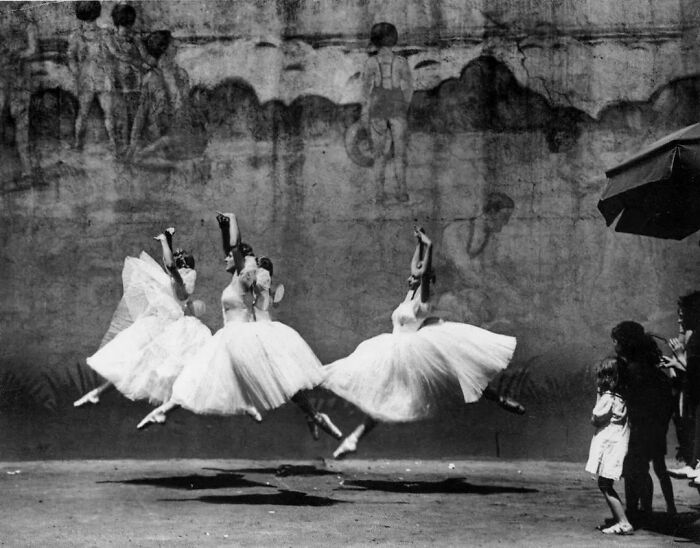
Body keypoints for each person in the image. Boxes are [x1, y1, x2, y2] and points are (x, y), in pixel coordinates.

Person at [136, 212, 341, 441]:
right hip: (228, 338)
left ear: (241, 261)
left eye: (229, 257)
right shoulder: (237, 277)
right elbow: (231, 249)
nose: (224, 259)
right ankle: (163, 411)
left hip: (240, 337)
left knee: (278, 381)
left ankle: (313, 415)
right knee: (199, 376)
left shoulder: (244, 278)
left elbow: (234, 246)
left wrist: (232, 219)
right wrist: (224, 228)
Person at [324, 226, 517, 459]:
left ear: (425, 280)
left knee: (455, 371)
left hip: (409, 351)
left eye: (415, 276)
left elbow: (423, 272)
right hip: (391, 346)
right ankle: (353, 438)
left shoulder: (423, 300)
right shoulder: (409, 295)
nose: (410, 277)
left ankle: (500, 399)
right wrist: (419, 244)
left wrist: (431, 246)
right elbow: (416, 267)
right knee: (383, 397)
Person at [74, 227, 210, 406]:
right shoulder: (174, 281)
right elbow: (168, 263)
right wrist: (168, 239)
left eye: (180, 266)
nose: (174, 268)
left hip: (170, 326)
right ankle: (99, 392)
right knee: (136, 364)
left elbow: (170, 265)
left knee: (160, 368)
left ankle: (169, 406)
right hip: (159, 324)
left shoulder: (181, 285)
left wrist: (164, 241)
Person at [613, 321, 676, 519]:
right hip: (655, 429)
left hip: (639, 429)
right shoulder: (649, 368)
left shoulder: (632, 370)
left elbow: (633, 402)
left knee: (632, 469)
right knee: (644, 469)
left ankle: (634, 511)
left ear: (623, 343)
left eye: (615, 341)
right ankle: (647, 509)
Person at [126, 30, 207, 168]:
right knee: (168, 139)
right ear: (164, 49)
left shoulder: (182, 74)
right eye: (172, 42)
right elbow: (141, 113)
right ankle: (144, 153)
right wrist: (133, 144)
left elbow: (184, 107)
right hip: (162, 134)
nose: (177, 44)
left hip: (179, 131)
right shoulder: (151, 78)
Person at [362, 22, 412, 203]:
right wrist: (404, 105)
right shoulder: (401, 62)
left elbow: (365, 90)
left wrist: (365, 112)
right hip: (397, 107)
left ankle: (379, 195)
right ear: (394, 39)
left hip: (378, 108)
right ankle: (403, 192)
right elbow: (409, 88)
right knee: (400, 154)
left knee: (378, 154)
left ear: (374, 41)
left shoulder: (370, 62)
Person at [585, 357, 633, 535]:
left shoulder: (608, 398)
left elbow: (595, 419)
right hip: (618, 444)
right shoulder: (623, 398)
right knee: (605, 483)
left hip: (610, 446)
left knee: (604, 484)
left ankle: (624, 522)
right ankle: (621, 520)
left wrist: (598, 394)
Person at [67, 1, 119, 154]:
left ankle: (78, 144)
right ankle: (113, 145)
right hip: (101, 77)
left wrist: (77, 73)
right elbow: (114, 52)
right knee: (106, 113)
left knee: (84, 113)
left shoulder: (75, 35)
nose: (89, 24)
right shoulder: (105, 33)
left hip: (88, 78)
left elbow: (71, 58)